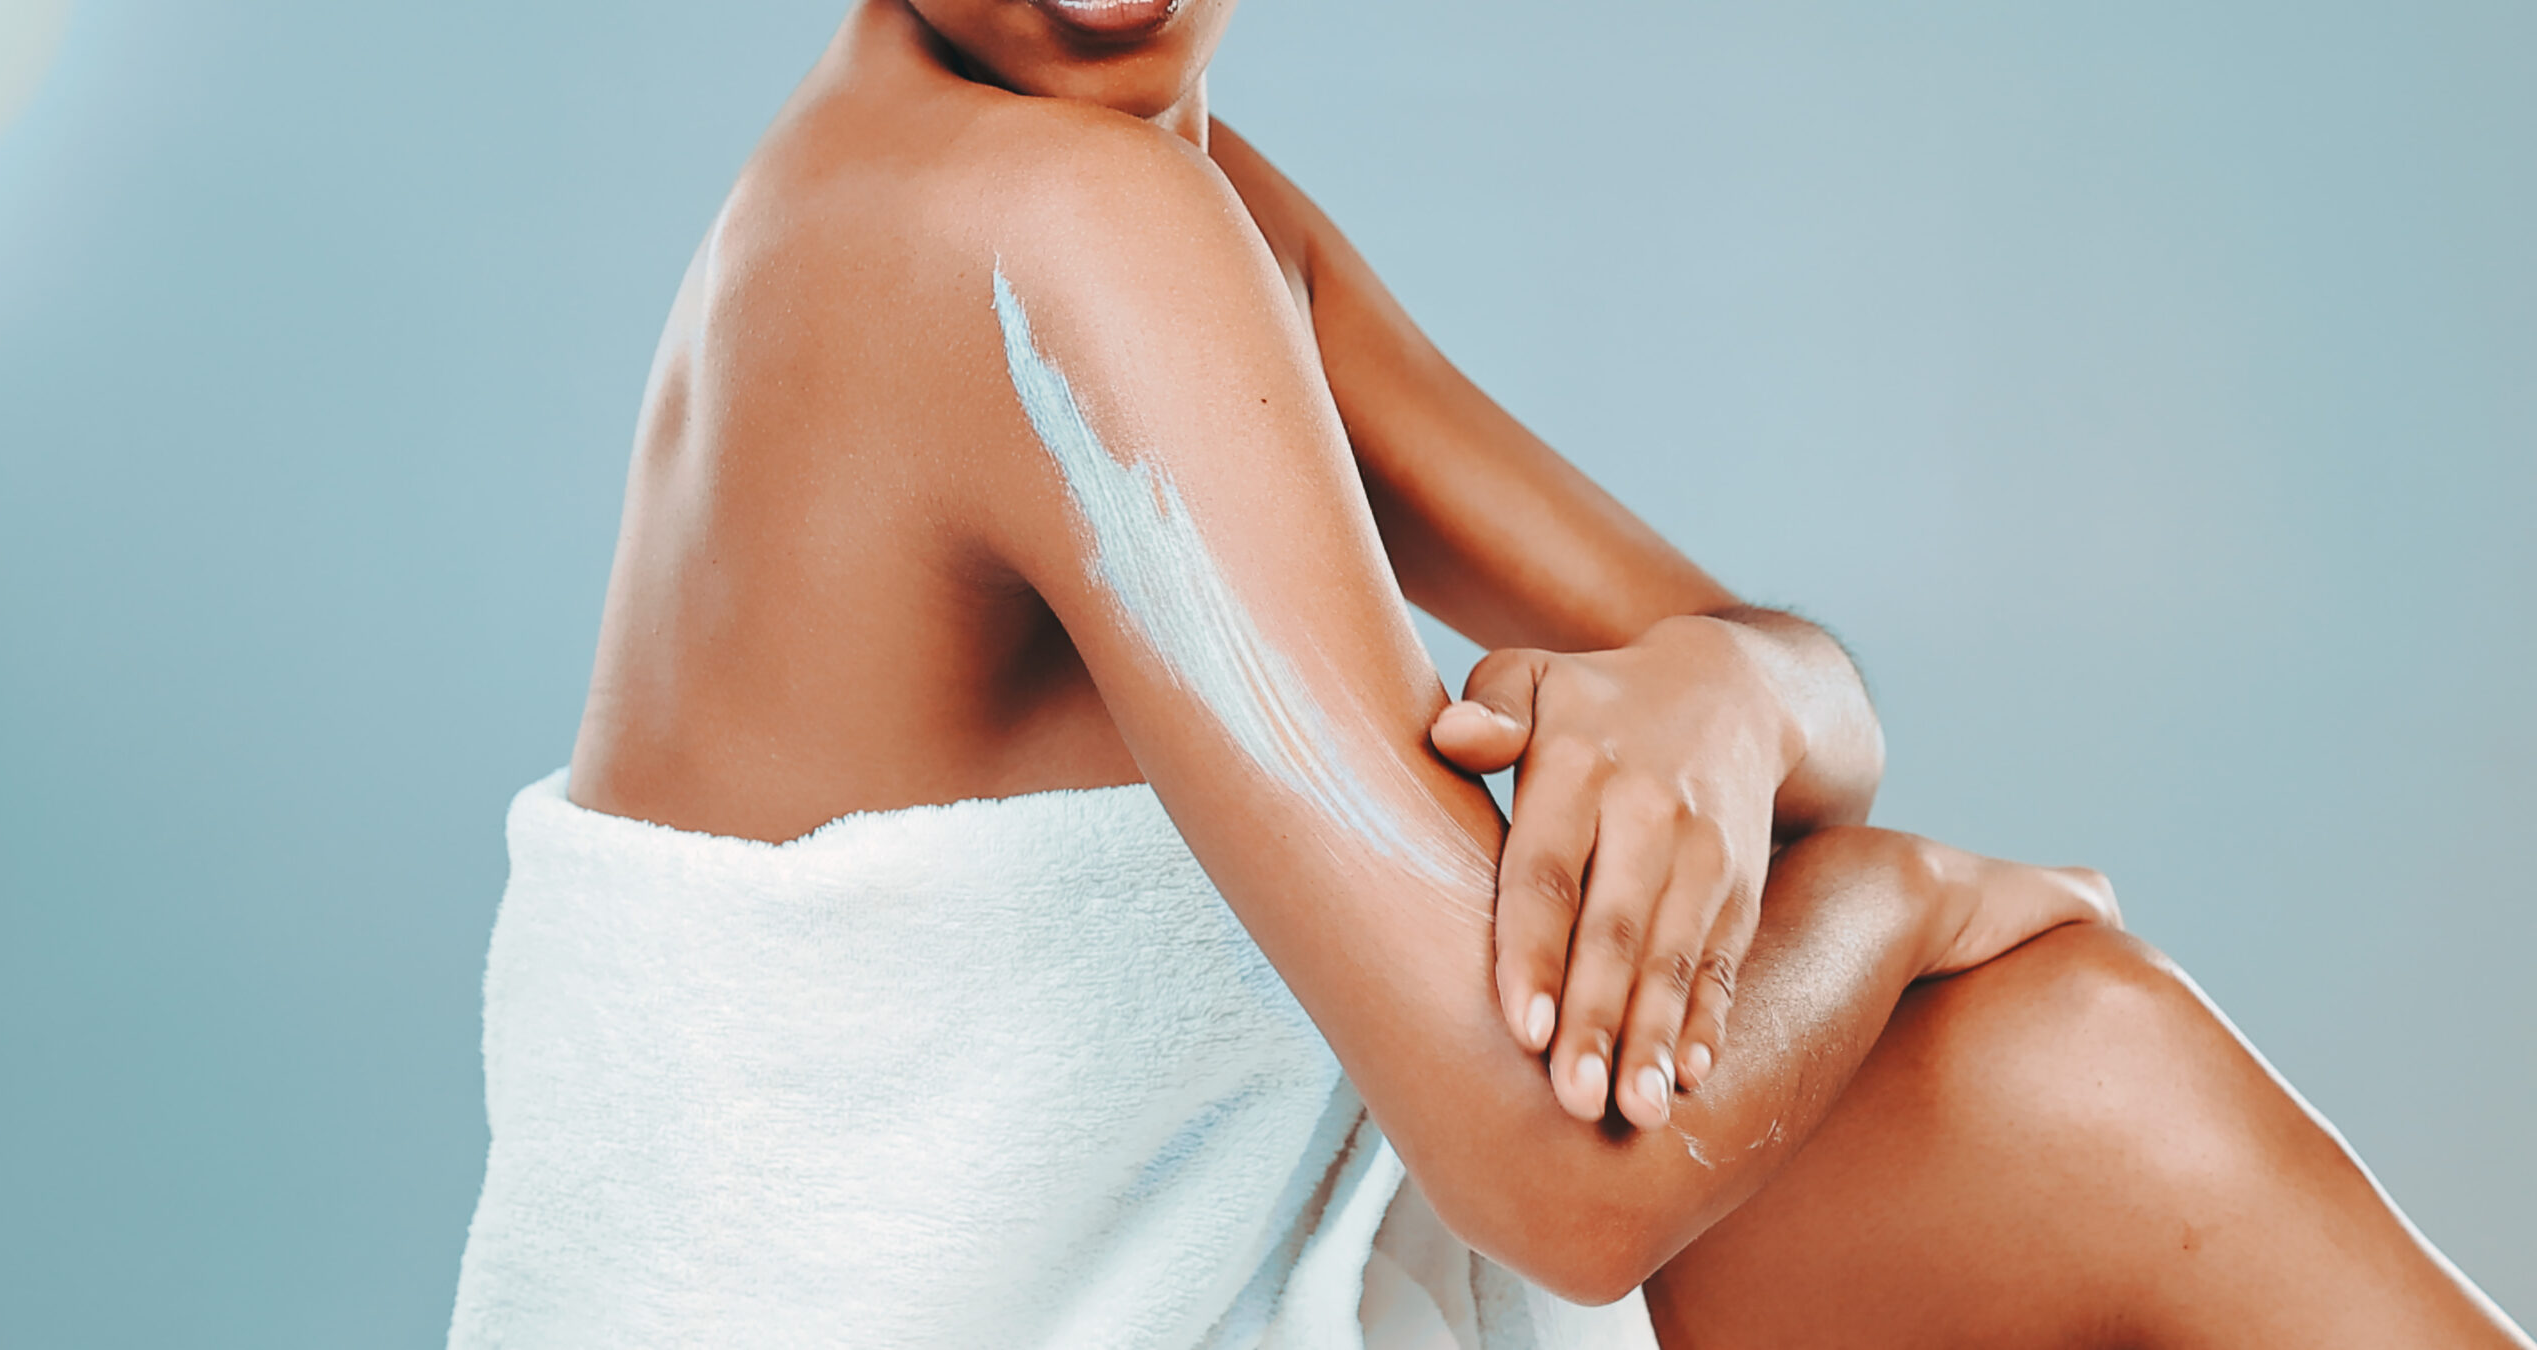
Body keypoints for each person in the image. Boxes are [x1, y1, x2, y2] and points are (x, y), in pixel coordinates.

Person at [448, 0, 2533, 1345]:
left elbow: (1792, 682)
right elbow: (1555, 1185)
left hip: (1184, 1279)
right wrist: (1891, 900)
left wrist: (1712, 706)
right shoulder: (1030, 225)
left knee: (2069, 1071)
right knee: (2087, 1065)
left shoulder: (1163, 205)